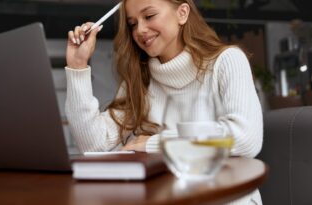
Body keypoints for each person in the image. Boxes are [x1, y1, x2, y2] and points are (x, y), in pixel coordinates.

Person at [65, 0, 263, 204]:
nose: (140, 30)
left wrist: (155, 144)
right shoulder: (139, 81)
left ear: (182, 13)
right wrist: (78, 65)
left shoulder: (228, 61)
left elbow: (245, 138)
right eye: (133, 24)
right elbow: (93, 145)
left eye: (149, 16)